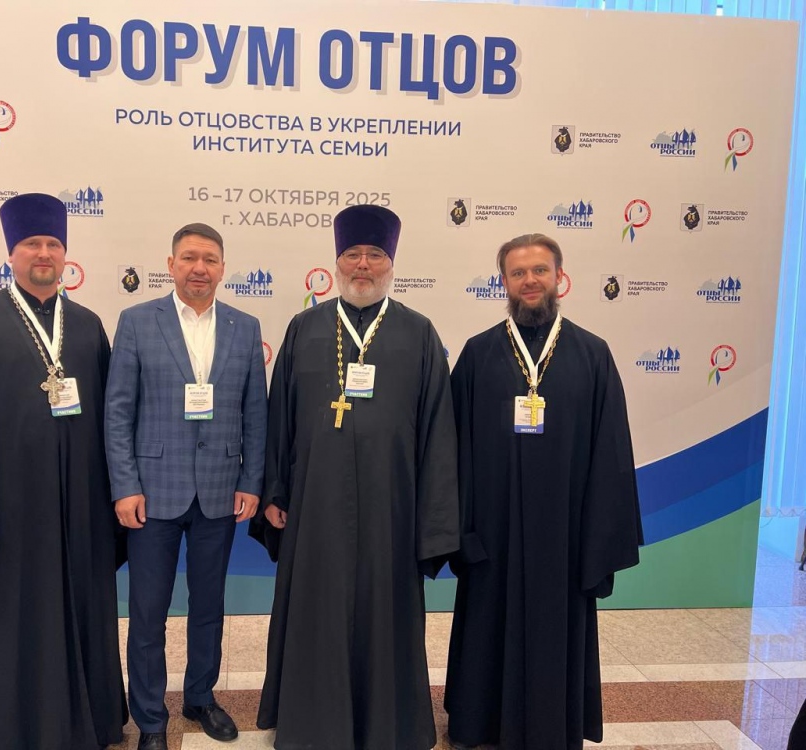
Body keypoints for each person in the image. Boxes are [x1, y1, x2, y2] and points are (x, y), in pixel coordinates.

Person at [0, 193, 126, 750]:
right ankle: (15, 727)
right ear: (11, 253)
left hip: (79, 510)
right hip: (6, 517)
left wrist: (114, 505)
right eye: (32, 244)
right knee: (16, 616)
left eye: (53, 244)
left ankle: (86, 720)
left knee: (81, 608)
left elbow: (113, 423)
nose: (44, 254)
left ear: (65, 255)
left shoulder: (87, 326)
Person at [251, 204, 459, 750]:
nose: (362, 265)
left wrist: (433, 519)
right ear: (336, 261)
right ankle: (313, 724)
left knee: (387, 614)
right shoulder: (305, 327)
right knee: (316, 609)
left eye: (374, 255)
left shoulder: (418, 332)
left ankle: (387, 724)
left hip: (393, 506)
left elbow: (438, 432)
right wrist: (275, 490)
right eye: (352, 255)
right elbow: (279, 417)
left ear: (391, 263)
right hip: (314, 503)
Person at [445, 233, 644, 750]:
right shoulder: (478, 354)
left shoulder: (592, 354)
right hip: (493, 533)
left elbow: (611, 451)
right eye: (518, 273)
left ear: (559, 277)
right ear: (503, 283)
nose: (529, 281)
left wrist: (598, 543)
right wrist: (461, 532)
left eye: (539, 271)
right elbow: (453, 450)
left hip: (565, 538)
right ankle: (479, 723)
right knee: (488, 623)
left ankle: (554, 724)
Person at [104, 223, 268, 750]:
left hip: (220, 490)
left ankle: (200, 697)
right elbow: (118, 411)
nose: (200, 268)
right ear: (171, 265)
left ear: (222, 268)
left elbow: (255, 414)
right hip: (151, 493)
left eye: (210, 259)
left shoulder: (245, 327)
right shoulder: (136, 322)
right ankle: (151, 719)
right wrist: (124, 485)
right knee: (148, 613)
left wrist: (251, 480)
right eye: (190, 258)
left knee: (209, 605)